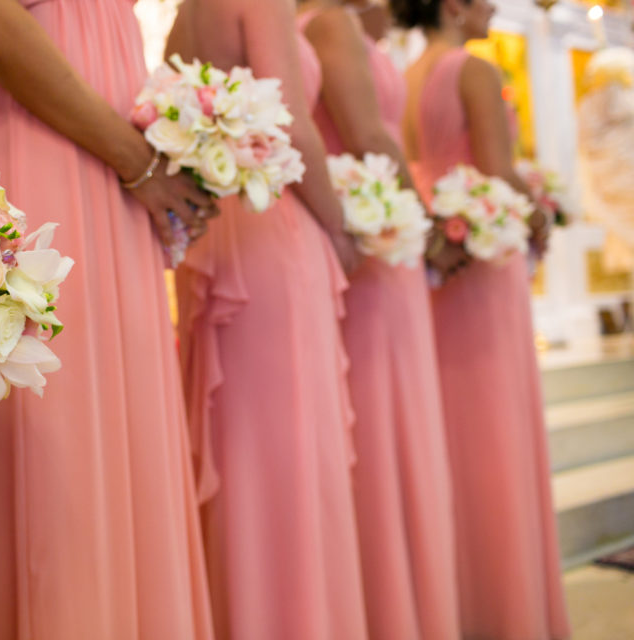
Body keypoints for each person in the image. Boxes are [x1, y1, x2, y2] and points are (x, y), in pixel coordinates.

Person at [0, 0, 217, 637]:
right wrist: (136, 160)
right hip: (53, 144)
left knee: (117, 431)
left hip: (110, 161)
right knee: (55, 442)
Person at [167, 0, 369, 637]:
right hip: (274, 226)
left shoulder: (186, 12)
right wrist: (342, 228)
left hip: (214, 232)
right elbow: (293, 126)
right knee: (290, 446)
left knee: (241, 443)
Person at [396, 0, 570, 637]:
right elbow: (498, 172)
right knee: (495, 424)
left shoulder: (412, 71)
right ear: (454, 7)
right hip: (487, 256)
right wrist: (545, 208)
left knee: (453, 424)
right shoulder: (471, 70)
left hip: (439, 259)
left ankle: (458, 598)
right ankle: (506, 606)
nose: (495, 6)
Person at [298, 1, 460, 637]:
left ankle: (399, 602)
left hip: (382, 232)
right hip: (375, 240)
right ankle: (390, 607)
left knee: (389, 417)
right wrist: (427, 222)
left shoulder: (336, 23)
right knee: (380, 420)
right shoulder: (328, 21)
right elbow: (368, 135)